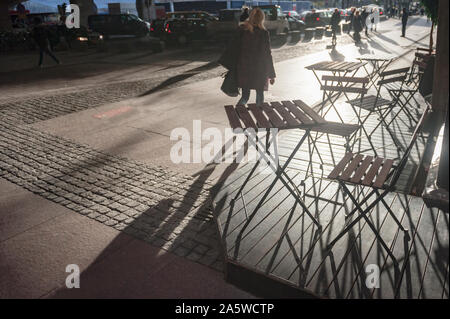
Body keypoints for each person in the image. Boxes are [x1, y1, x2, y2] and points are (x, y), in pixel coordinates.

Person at [235, 8, 276, 105]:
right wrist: (271, 75)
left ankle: (237, 115)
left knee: (245, 97)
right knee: (259, 95)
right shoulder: (263, 33)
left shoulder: (243, 31)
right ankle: (259, 118)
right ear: (262, 19)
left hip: (244, 67)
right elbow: (267, 55)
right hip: (259, 69)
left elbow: (235, 48)